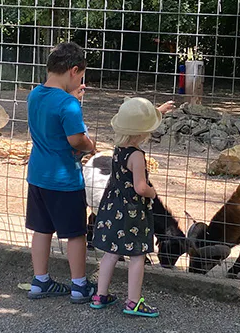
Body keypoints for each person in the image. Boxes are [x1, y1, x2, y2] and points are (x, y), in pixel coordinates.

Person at [90, 97, 175, 317]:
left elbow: (136, 118)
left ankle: (100, 295)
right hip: (132, 213)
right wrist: (152, 192)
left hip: (112, 209)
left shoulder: (118, 149)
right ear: (143, 134)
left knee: (110, 253)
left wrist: (158, 111)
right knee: (137, 256)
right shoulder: (137, 155)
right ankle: (133, 302)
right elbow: (139, 187)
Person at [25, 41, 97, 303]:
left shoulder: (34, 94)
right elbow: (75, 140)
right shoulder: (68, 103)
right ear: (73, 70)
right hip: (64, 179)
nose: (80, 82)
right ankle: (79, 285)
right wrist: (91, 145)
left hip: (38, 175)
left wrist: (73, 96)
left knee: (42, 229)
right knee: (76, 233)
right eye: (80, 76)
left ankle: (40, 280)